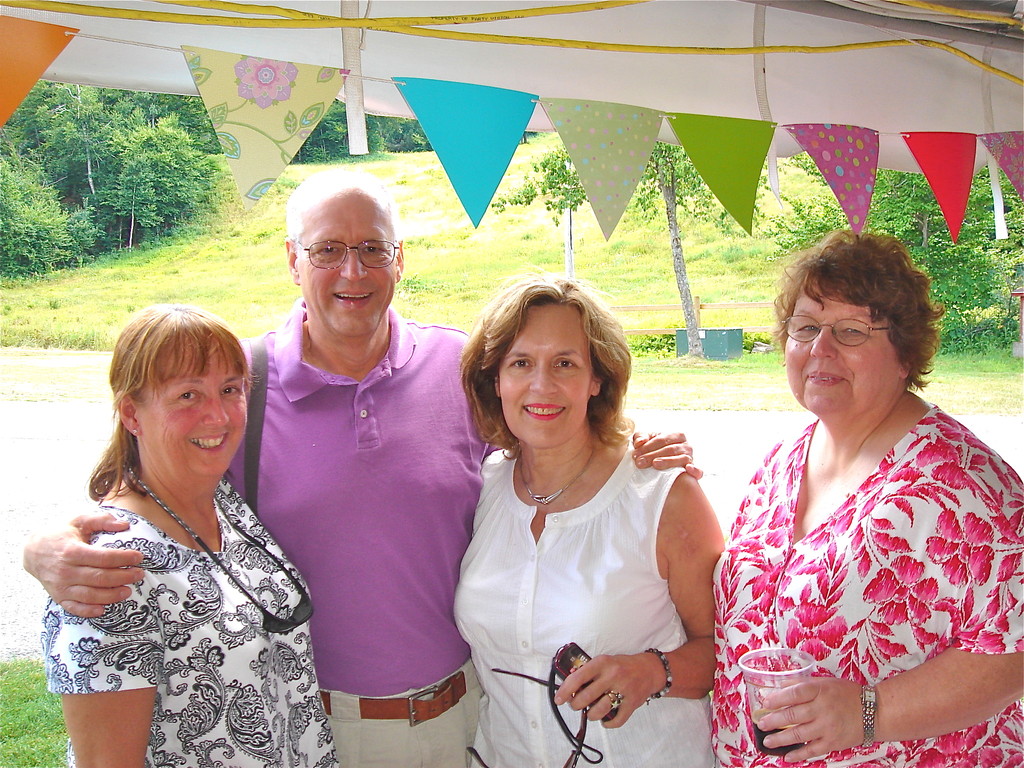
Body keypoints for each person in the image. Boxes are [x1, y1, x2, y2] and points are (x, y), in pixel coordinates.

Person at [24, 169, 695, 768]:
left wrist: (638, 443)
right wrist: (46, 549)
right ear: (293, 260)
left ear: (400, 260)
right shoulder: (242, 387)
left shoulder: (456, 371)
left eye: (373, 248)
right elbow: (154, 484)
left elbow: (549, 428)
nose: (353, 272)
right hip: (324, 732)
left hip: (471, 720)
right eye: (327, 250)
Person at [712, 230, 1023, 767]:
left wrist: (869, 711)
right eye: (805, 328)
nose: (819, 350)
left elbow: (1014, 652)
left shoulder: (966, 487)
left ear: (905, 354)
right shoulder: (781, 463)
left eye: (850, 332)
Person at [41, 304, 335, 767]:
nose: (217, 416)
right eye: (187, 395)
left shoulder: (223, 503)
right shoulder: (112, 570)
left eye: (229, 390)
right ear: (132, 414)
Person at [455, 275, 723, 767]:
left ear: (597, 379)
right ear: (495, 380)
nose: (542, 385)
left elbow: (729, 651)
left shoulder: (662, 495)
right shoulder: (485, 486)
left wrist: (654, 671)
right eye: (520, 363)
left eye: (565, 363)